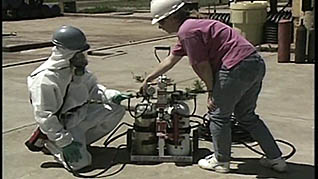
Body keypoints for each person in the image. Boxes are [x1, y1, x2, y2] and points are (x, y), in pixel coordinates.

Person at [140, 0, 287, 173]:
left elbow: (201, 65)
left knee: (218, 115)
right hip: (254, 63)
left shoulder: (187, 31)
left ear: (173, 17)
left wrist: (211, 91)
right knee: (246, 116)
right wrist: (149, 78)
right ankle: (276, 158)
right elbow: (171, 59)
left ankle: (221, 160)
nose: (160, 26)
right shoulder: (193, 27)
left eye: (161, 21)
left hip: (235, 66)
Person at [25, 25, 130, 171]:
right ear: (67, 53)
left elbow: (94, 89)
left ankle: (80, 143)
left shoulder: (75, 68)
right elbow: (45, 116)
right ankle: (54, 144)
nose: (83, 57)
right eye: (80, 54)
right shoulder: (45, 79)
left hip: (78, 116)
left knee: (116, 109)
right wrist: (64, 142)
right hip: (62, 125)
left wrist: (113, 95)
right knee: (81, 164)